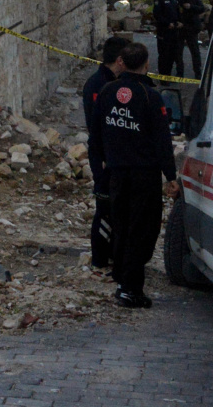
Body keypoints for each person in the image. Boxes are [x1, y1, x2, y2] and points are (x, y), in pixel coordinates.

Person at [97, 40, 179, 307]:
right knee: (142, 231)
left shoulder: (107, 91)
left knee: (121, 225)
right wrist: (171, 176)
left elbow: (96, 132)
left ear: (122, 61)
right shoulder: (149, 96)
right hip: (144, 175)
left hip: (116, 173)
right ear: (146, 64)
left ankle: (122, 277)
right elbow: (162, 140)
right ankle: (130, 289)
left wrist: (100, 163)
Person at [81, 37, 132, 271]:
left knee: (119, 207)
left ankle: (115, 253)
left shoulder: (119, 83)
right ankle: (101, 259)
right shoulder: (97, 85)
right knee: (104, 206)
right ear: (120, 60)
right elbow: (97, 126)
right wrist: (103, 157)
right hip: (103, 155)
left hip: (119, 156)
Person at [150, 0, 185, 78]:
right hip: (164, 32)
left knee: (172, 55)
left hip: (174, 31)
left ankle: (169, 75)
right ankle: (163, 77)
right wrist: (166, 23)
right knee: (164, 55)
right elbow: (157, 14)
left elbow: (178, 12)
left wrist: (180, 22)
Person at [175, 0, 207, 78]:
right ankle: (180, 73)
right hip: (179, 28)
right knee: (178, 52)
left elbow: (202, 9)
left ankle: (198, 73)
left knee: (195, 52)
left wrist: (191, 7)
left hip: (192, 28)